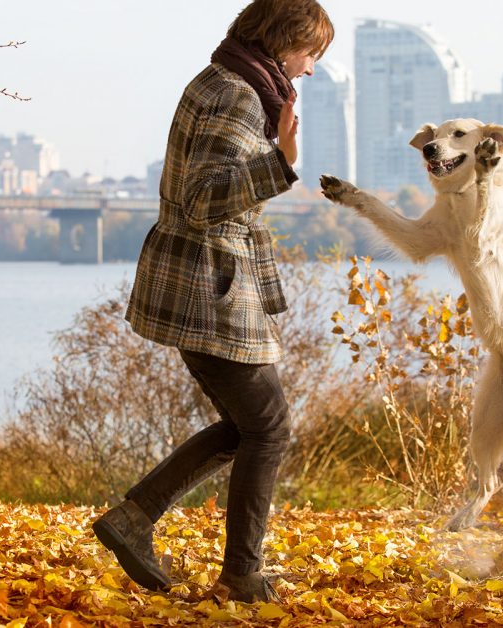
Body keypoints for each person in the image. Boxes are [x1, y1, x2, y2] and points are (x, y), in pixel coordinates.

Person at [91, 0, 333, 604]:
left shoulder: (229, 80)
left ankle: (136, 519)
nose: (309, 70)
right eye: (311, 54)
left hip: (207, 282)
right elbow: (203, 199)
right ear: (285, 41)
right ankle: (240, 575)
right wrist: (282, 162)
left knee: (251, 426)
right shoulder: (238, 95)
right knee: (268, 428)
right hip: (210, 287)